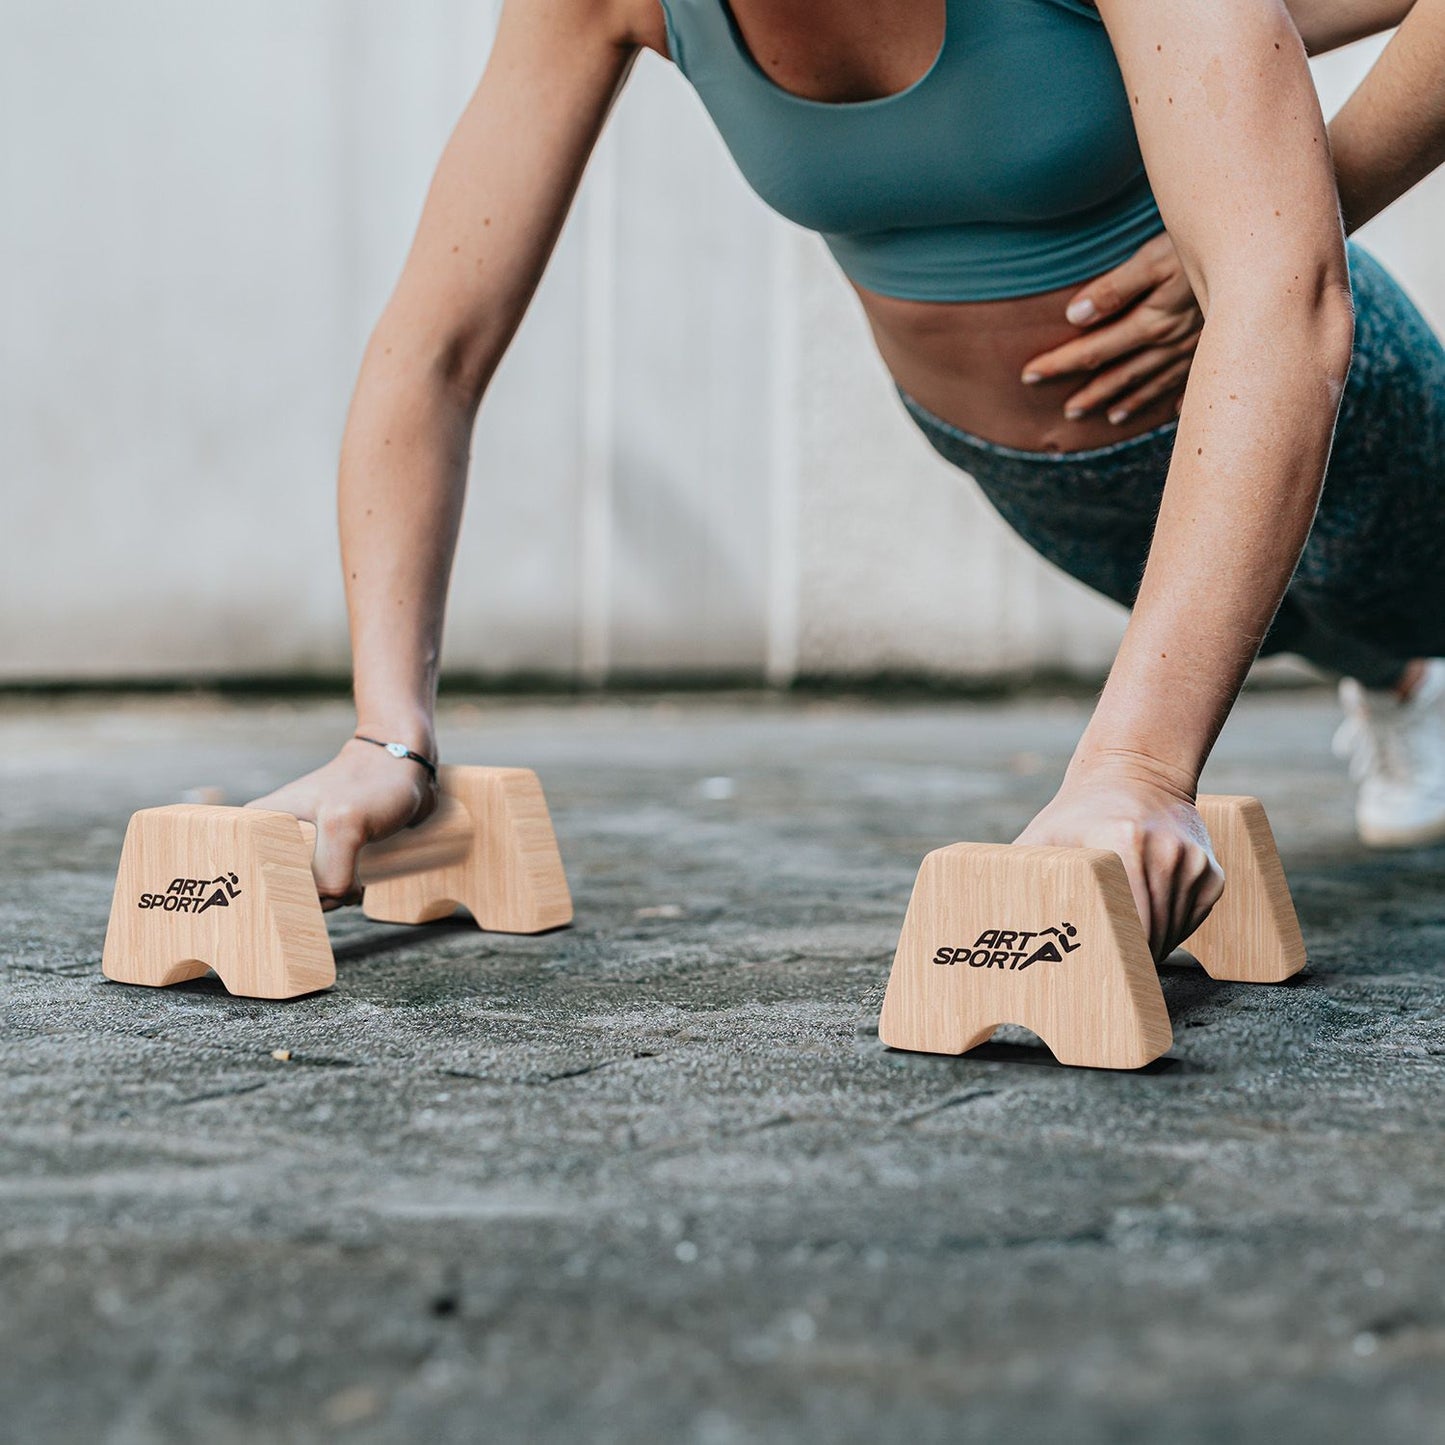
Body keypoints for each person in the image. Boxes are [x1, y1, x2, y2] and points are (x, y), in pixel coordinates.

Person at [247, 0, 1440, 966]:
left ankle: (1399, 663)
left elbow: (1283, 313)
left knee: (1387, 585)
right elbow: (433, 352)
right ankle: (1393, 684)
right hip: (1047, 490)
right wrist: (384, 736)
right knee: (1319, 623)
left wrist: (1133, 774)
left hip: (1344, 432)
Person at [1020, 0, 1445, 849]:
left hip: (1283, 377)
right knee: (1288, 616)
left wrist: (1282, 230)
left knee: (1370, 572)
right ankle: (1401, 685)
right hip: (1031, 462)